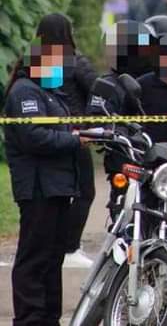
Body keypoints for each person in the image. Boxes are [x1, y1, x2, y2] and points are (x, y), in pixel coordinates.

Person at [4, 32, 90, 326]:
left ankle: (49, 317)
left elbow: (58, 128)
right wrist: (75, 140)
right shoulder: (25, 93)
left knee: (53, 257)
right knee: (35, 256)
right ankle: (30, 318)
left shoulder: (50, 93)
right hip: (38, 187)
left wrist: (79, 132)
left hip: (57, 186)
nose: (61, 71)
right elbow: (34, 137)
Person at [35, 14, 99, 268]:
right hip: (76, 135)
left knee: (57, 195)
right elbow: (97, 91)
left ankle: (54, 245)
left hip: (49, 135)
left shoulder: (36, 61)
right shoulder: (74, 60)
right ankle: (69, 247)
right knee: (85, 191)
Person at [88, 20, 157, 216]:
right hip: (126, 160)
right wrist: (116, 132)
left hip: (162, 161)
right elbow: (96, 119)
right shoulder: (108, 85)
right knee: (123, 210)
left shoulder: (156, 83)